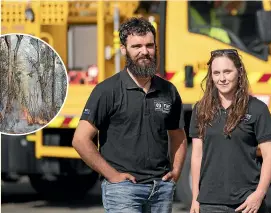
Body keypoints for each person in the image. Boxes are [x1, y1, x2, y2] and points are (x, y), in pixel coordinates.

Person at [72, 17, 187, 213]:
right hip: (123, 191)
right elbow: (80, 140)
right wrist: (113, 176)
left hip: (161, 189)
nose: (145, 51)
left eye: (149, 45)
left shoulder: (169, 91)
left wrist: (175, 171)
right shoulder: (107, 90)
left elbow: (178, 136)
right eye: (137, 46)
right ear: (124, 49)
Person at [189, 49, 271, 213]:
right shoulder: (200, 109)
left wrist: (259, 194)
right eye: (216, 73)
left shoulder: (257, 109)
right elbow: (197, 156)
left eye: (227, 72)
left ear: (239, 72)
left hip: (247, 203)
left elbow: (269, 155)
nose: (222, 78)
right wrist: (195, 197)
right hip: (209, 203)